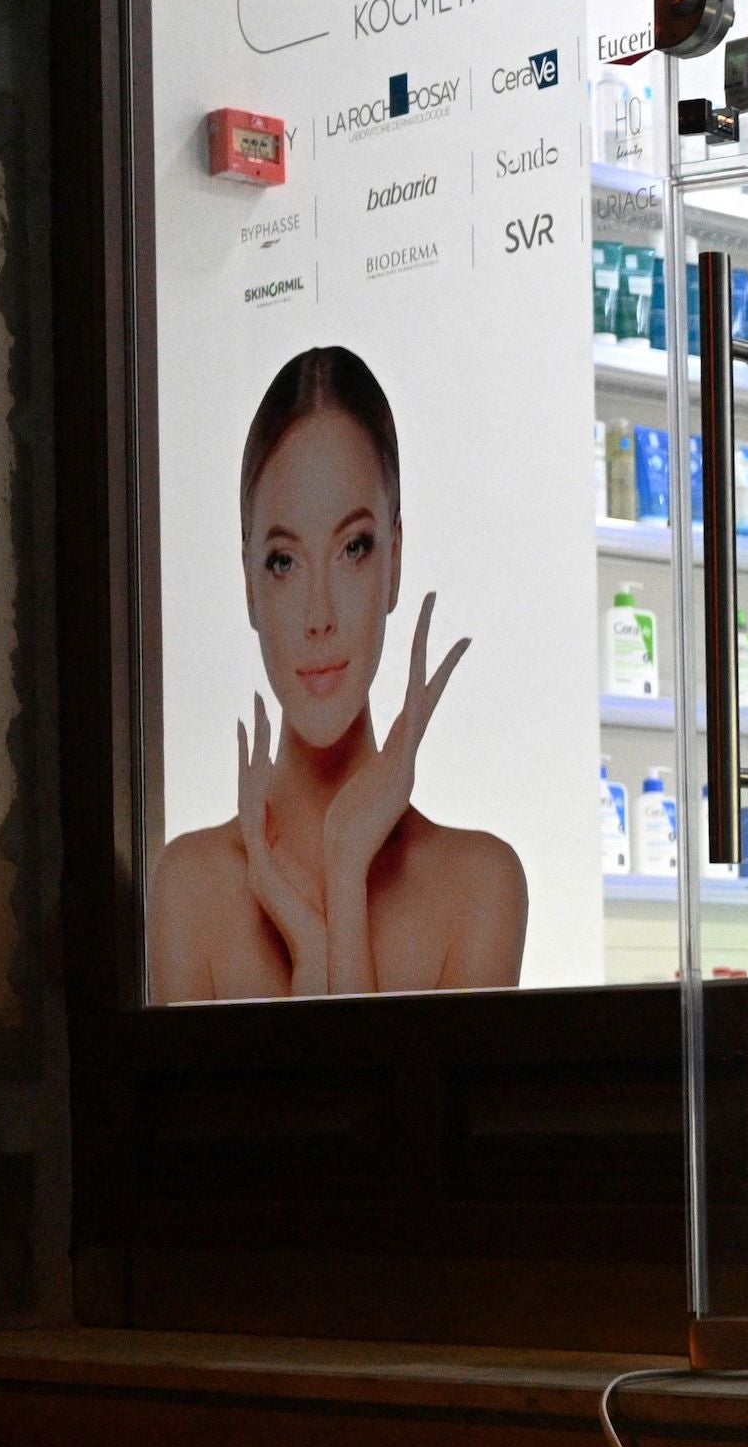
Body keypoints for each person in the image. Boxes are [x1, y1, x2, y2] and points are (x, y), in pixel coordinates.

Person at [152, 347, 527, 998]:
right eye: (283, 561)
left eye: (353, 548)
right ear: (248, 582)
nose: (319, 615)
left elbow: (395, 1106)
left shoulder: (482, 885)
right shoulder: (189, 884)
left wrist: (345, 870)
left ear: (395, 559)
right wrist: (314, 941)